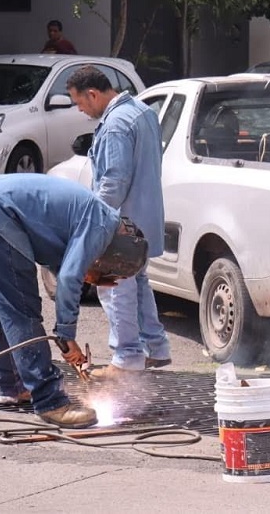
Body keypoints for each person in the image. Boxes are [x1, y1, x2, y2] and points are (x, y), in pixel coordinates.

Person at [0, 174, 148, 428]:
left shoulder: (95, 216)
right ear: (117, 252)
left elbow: (60, 259)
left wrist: (86, 273)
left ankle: (14, 385)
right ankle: (50, 402)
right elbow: (69, 278)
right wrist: (66, 335)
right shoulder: (102, 224)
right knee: (22, 312)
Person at [65, 65, 171, 379]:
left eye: (79, 102)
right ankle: (155, 348)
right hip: (143, 219)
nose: (80, 109)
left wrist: (92, 224)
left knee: (114, 288)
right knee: (137, 283)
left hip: (120, 224)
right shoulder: (143, 112)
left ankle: (126, 359)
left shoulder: (115, 125)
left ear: (93, 94)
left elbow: (113, 182)